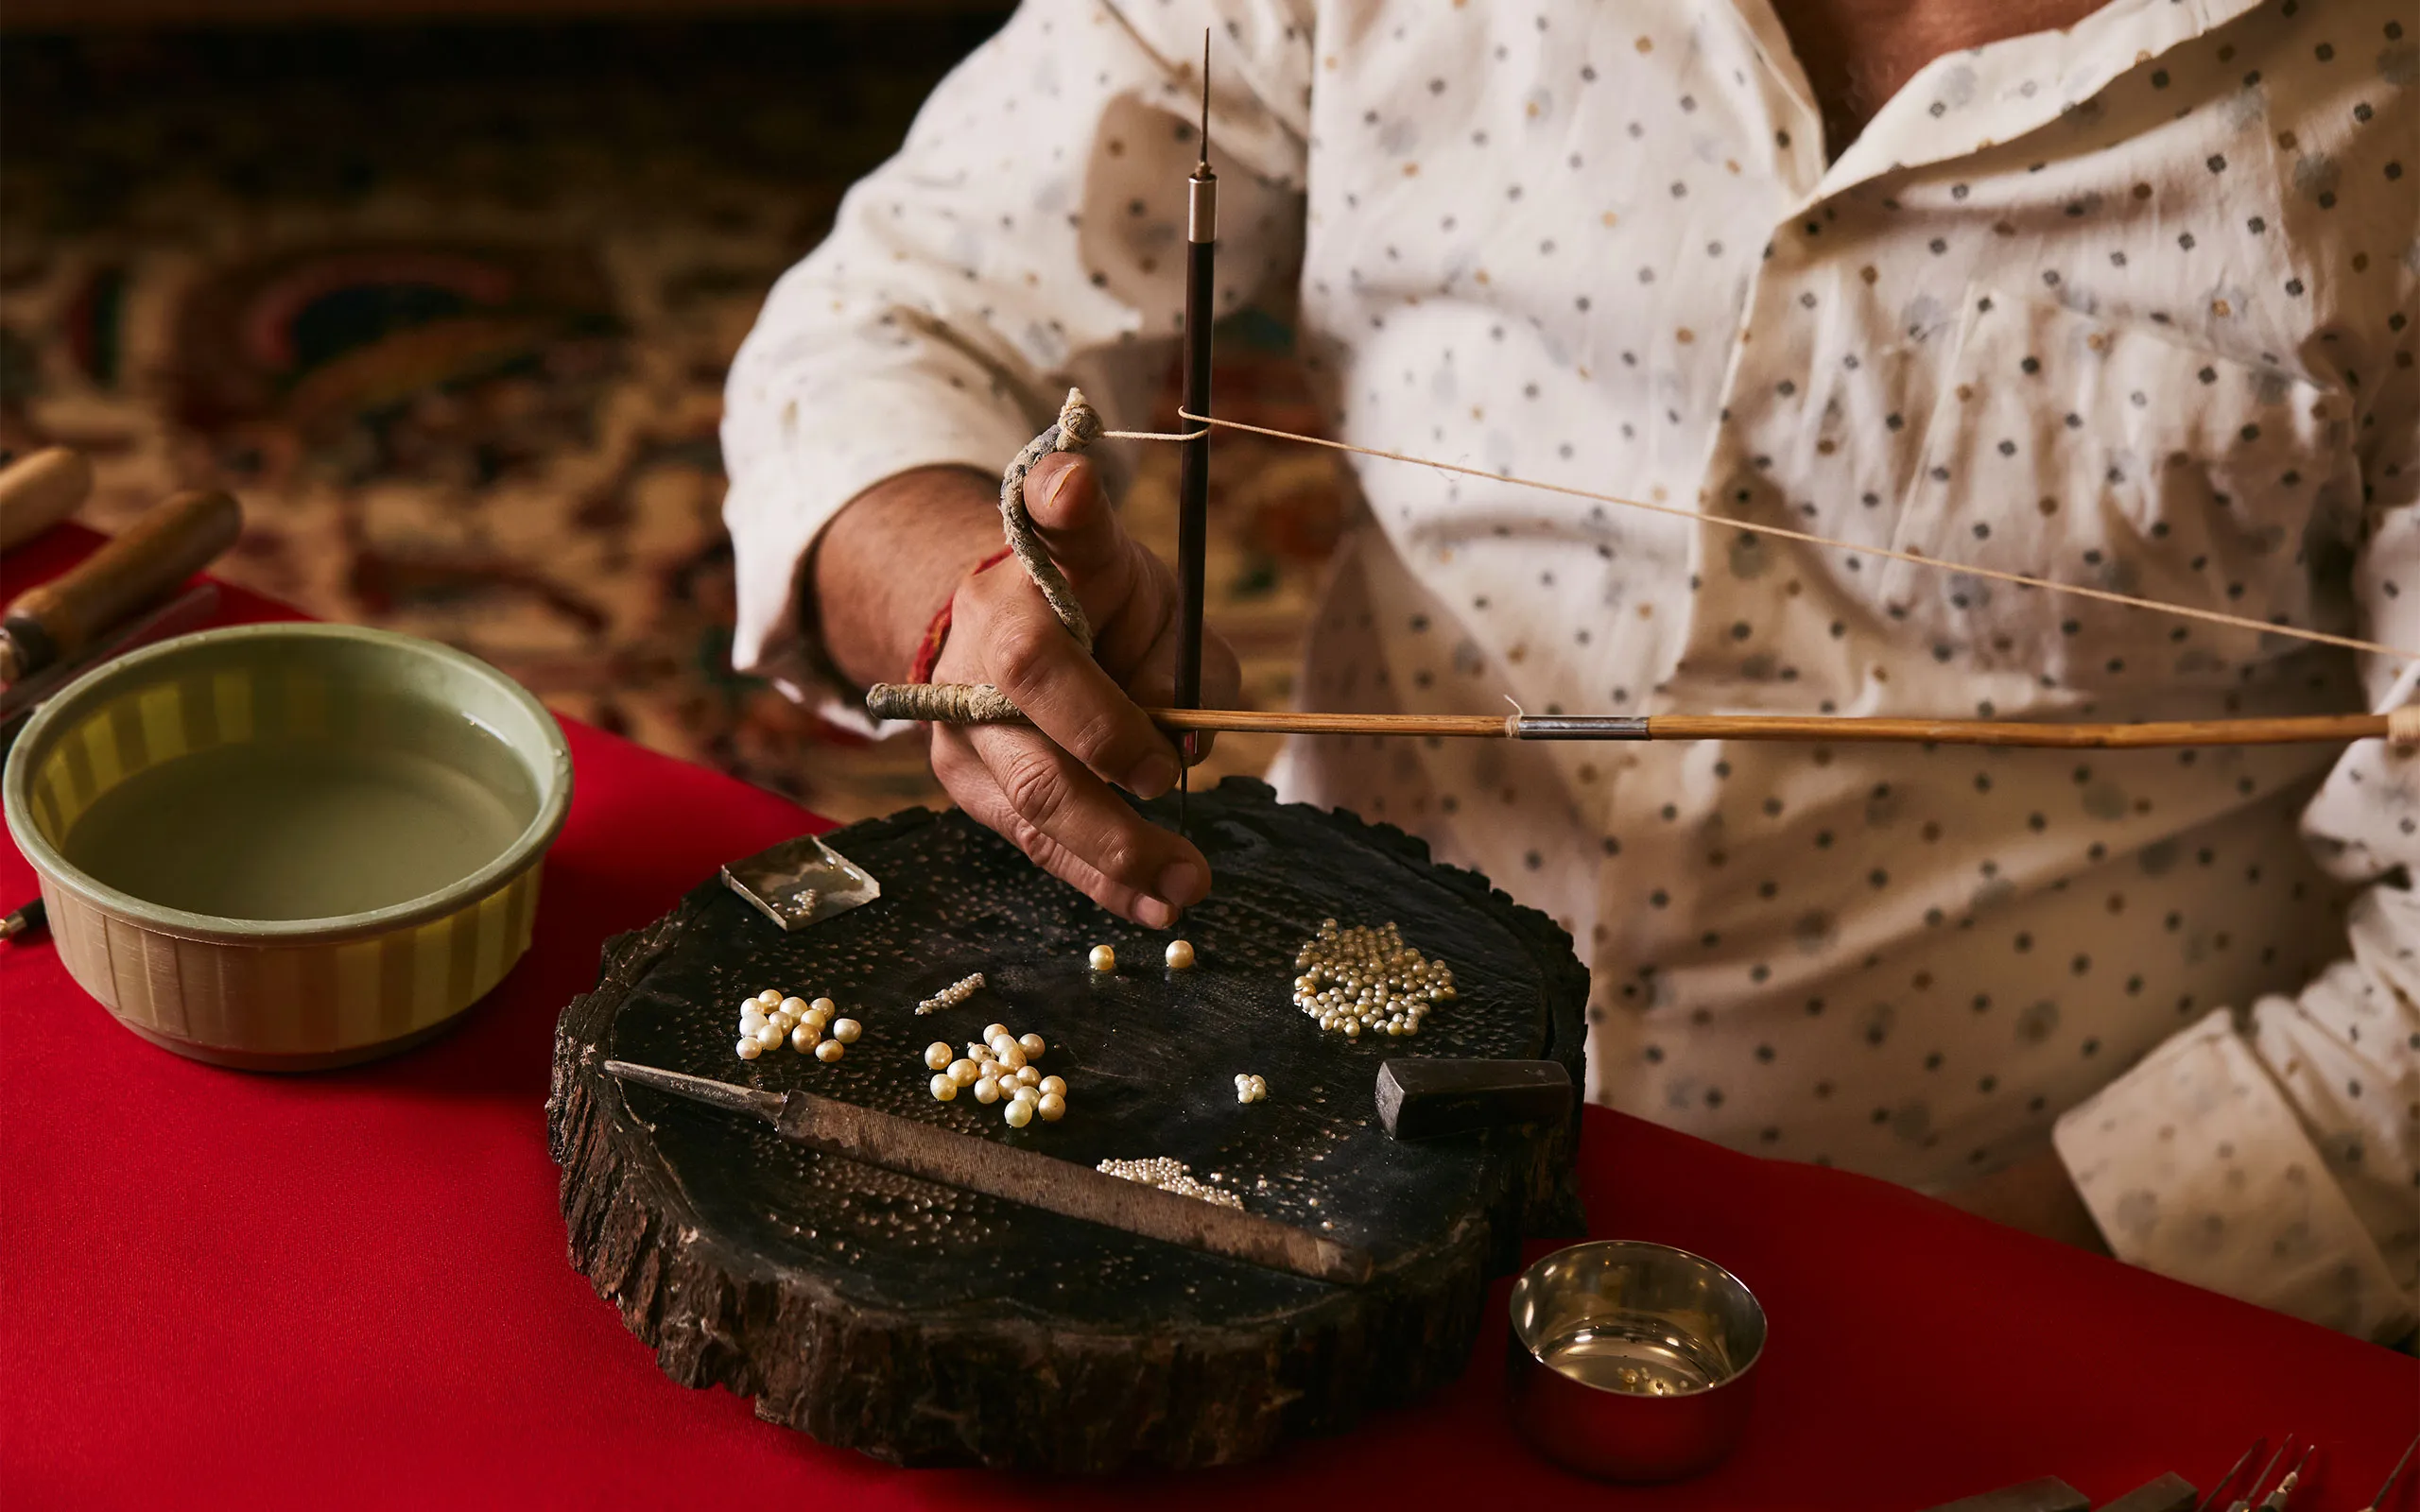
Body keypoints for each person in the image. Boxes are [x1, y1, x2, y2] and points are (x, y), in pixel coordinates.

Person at [721, 0, 2418, 1340]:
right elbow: (893, 314)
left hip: (2046, 1261)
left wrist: (1951, 1299)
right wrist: (968, 601)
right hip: (1320, 1119)